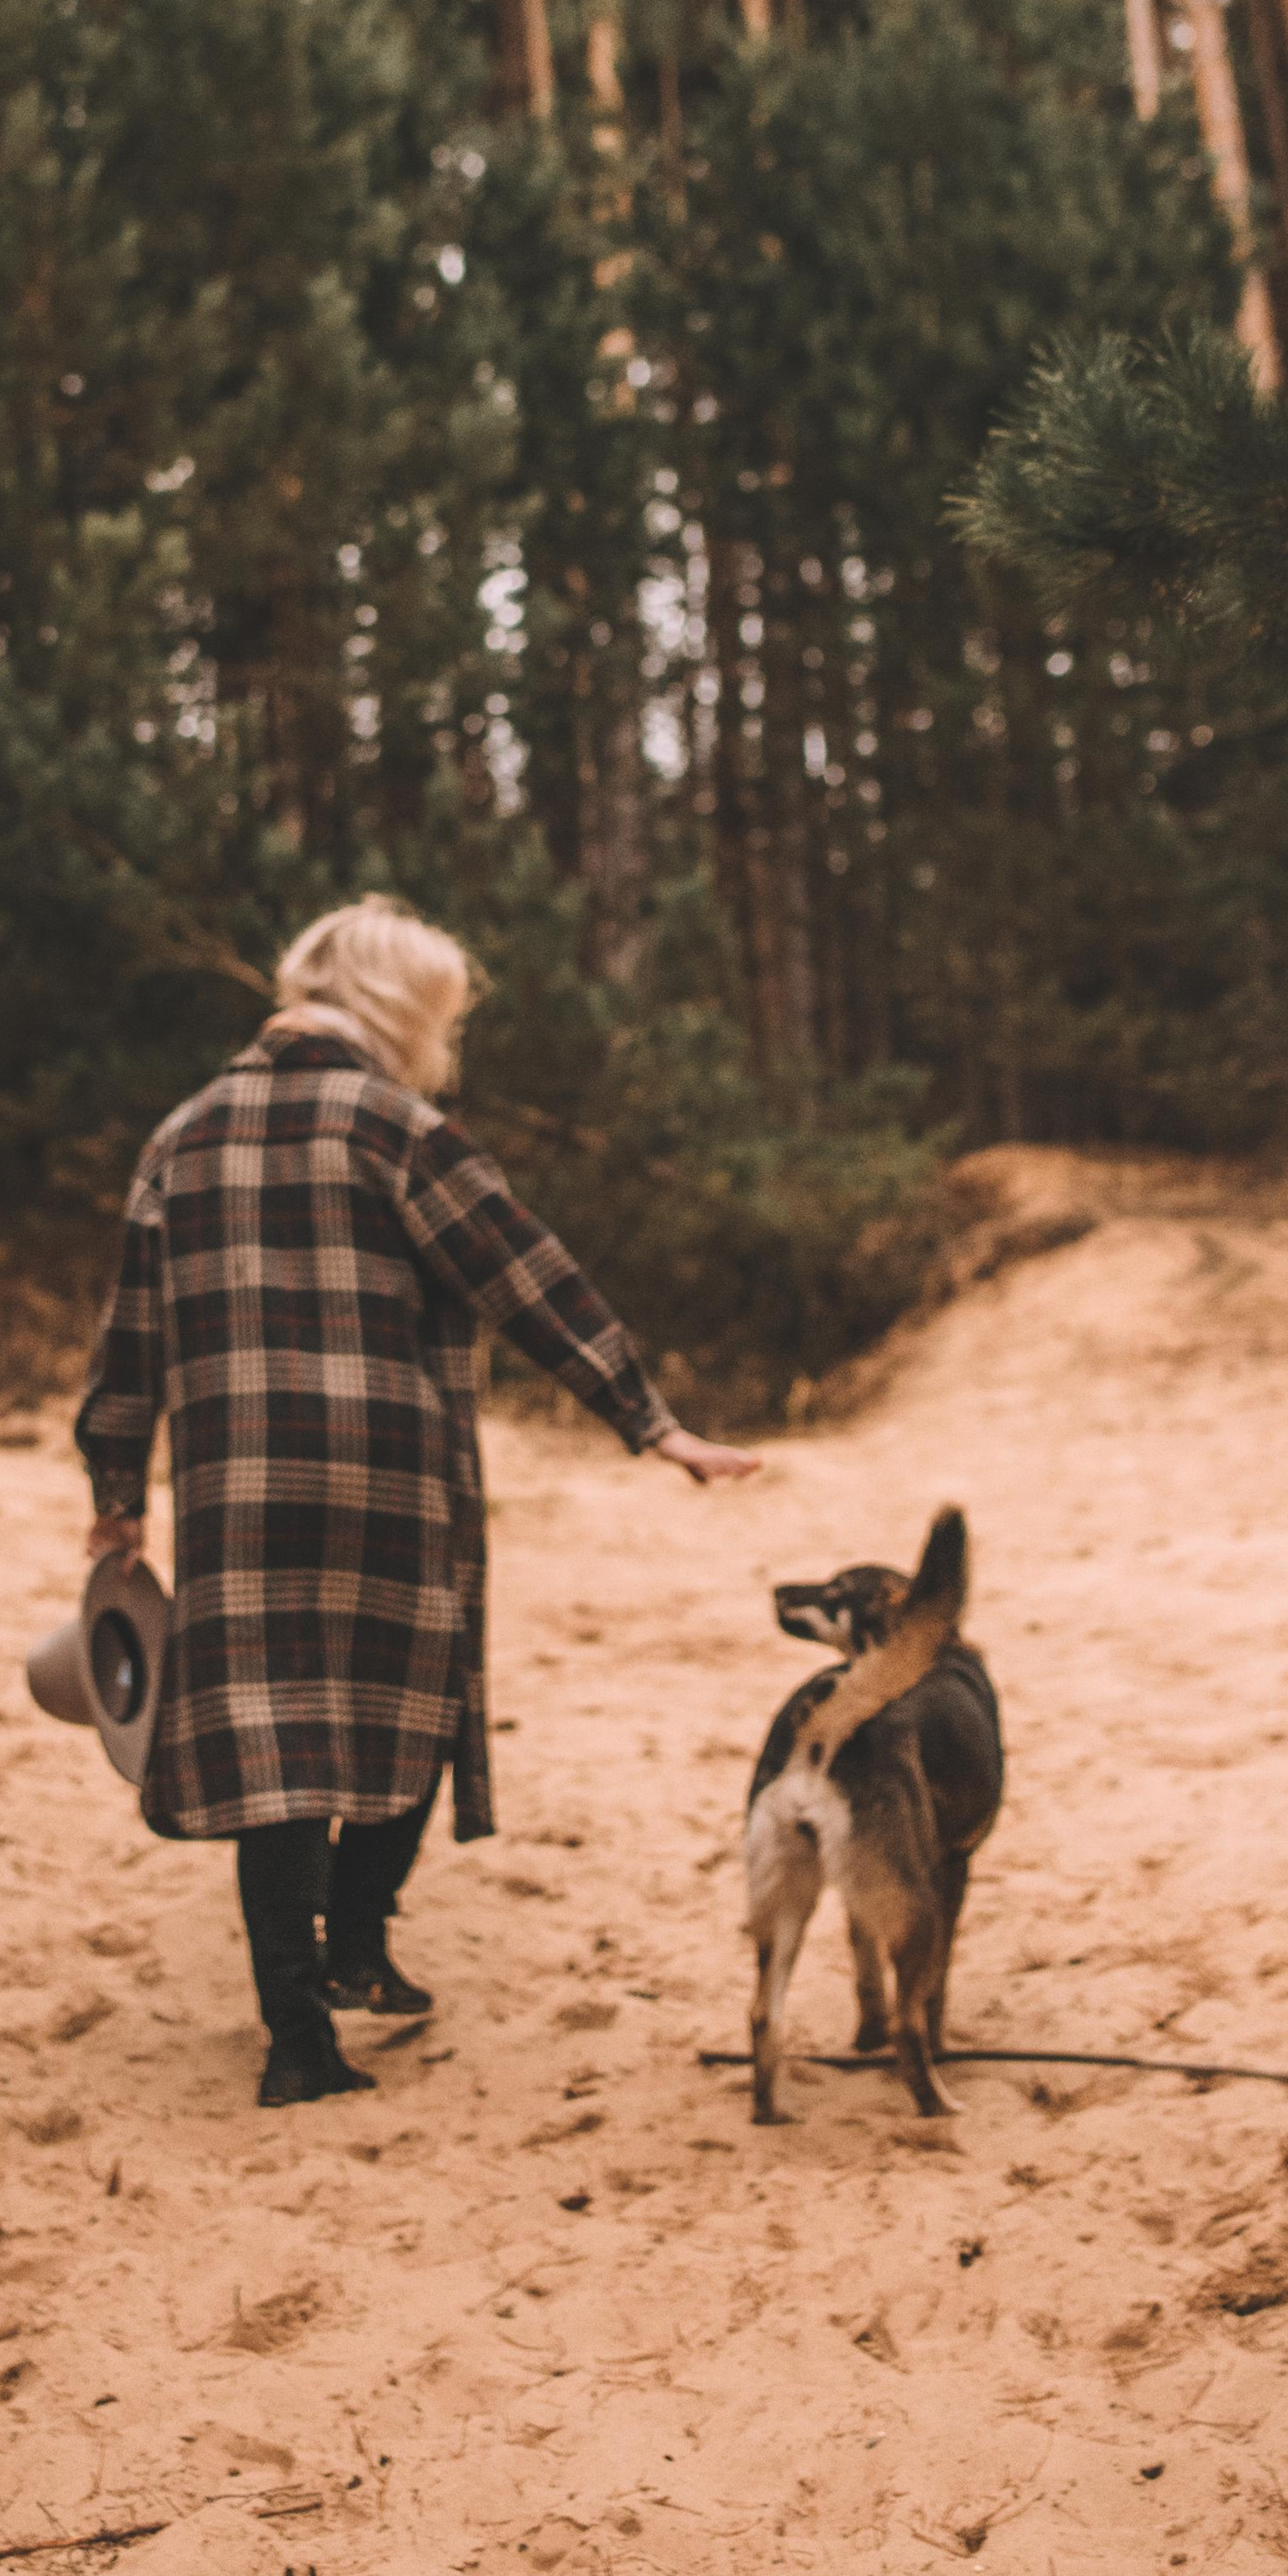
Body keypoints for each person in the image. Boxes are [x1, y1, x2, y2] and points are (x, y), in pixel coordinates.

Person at [75, 896, 758, 2106]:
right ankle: (359, 1937)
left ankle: (299, 2039)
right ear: (399, 1007)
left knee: (274, 1746)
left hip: (240, 1490)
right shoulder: (396, 1126)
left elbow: (132, 1330)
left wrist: (117, 1487)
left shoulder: (181, 1135)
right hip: (389, 1478)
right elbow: (528, 1277)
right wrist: (649, 1420)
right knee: (415, 1704)